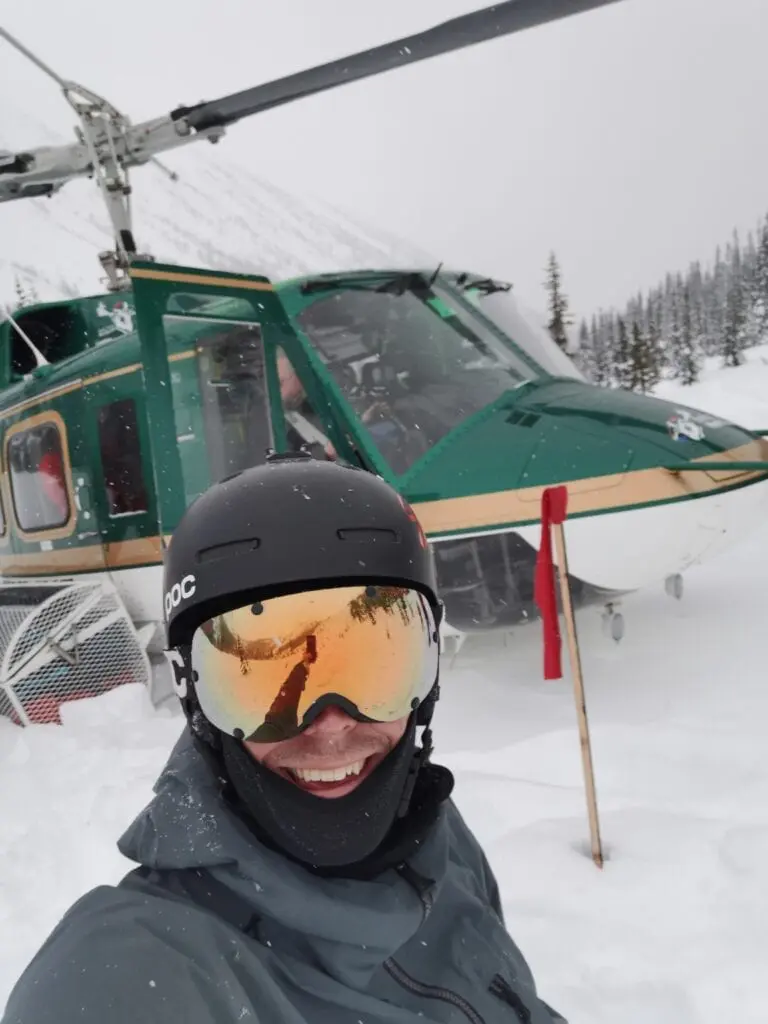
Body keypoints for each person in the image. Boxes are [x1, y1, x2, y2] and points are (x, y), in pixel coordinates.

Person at [2, 452, 565, 1024]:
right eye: (262, 677)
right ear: (195, 699)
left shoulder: (440, 846)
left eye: (375, 662)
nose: (332, 723)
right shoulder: (126, 974)